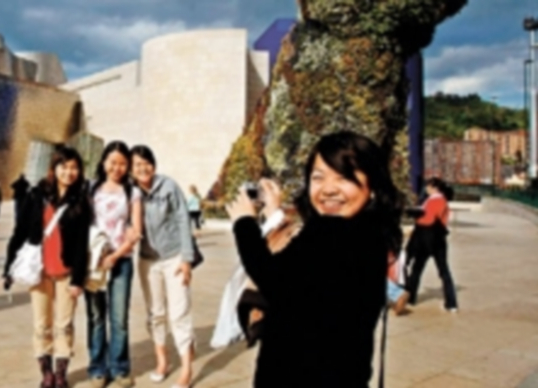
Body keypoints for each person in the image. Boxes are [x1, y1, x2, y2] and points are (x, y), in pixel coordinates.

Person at [225, 131, 404, 387]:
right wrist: (275, 212)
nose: (329, 189)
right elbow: (310, 281)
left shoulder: (331, 231)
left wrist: (244, 223)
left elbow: (271, 277)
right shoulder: (371, 233)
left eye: (344, 177)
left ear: (372, 185)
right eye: (318, 178)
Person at [3, 147, 92, 388]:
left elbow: (83, 242)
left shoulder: (81, 201)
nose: (69, 172)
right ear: (54, 168)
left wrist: (78, 279)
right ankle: (46, 373)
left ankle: (61, 373)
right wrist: (8, 266)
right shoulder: (36, 195)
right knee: (41, 323)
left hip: (66, 272)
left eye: (74, 167)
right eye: (64, 166)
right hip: (38, 271)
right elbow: (20, 232)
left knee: (64, 325)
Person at [131, 145, 196, 388]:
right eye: (137, 165)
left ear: (153, 165)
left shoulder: (168, 186)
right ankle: (162, 361)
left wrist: (186, 259)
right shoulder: (132, 192)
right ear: (132, 169)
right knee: (155, 314)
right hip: (148, 261)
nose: (143, 168)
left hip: (174, 258)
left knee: (179, 313)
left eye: (146, 163)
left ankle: (186, 370)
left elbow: (183, 220)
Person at [85, 141, 143, 388]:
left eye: (122, 163)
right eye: (112, 162)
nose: (117, 167)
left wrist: (116, 255)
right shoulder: (91, 189)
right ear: (103, 162)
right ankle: (98, 369)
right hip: (94, 262)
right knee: (96, 316)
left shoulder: (132, 192)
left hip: (121, 262)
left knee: (119, 319)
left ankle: (119, 368)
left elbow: (136, 230)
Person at [405, 177, 458, 312]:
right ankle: (451, 303)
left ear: (434, 187)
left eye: (428, 186)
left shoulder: (435, 200)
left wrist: (415, 214)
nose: (426, 188)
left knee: (417, 269)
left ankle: (411, 297)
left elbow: (428, 219)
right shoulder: (440, 200)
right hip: (437, 240)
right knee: (443, 271)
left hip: (426, 239)